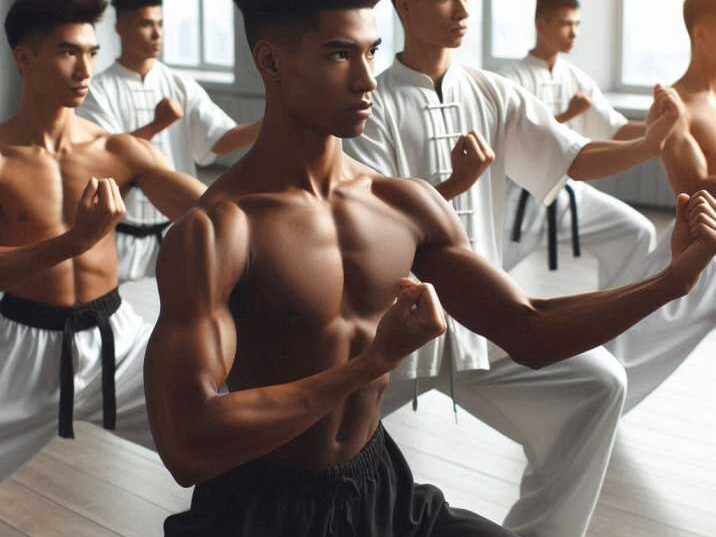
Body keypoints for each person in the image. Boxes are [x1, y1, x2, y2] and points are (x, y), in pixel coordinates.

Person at [144, 1, 716, 536]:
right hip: (259, 510)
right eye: (340, 54)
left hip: (381, 488)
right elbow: (188, 446)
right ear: (271, 60)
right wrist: (373, 362)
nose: (367, 80)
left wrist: (671, 282)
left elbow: (528, 328)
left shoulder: (403, 204)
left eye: (371, 53)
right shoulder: (217, 230)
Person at [343, 1, 685, 536]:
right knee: (300, 450)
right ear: (404, 6)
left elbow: (571, 156)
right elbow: (369, 220)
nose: (461, 9)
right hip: (389, 338)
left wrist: (648, 144)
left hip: (483, 326)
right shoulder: (371, 103)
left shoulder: (490, 91)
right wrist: (452, 186)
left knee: (598, 386)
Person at [0, 0, 206, 482]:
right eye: (68, 52)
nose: (85, 69)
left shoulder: (118, 149)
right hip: (23, 347)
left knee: (222, 444)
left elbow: (216, 212)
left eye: (92, 53)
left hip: (120, 343)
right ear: (24, 58)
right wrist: (75, 241)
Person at [78, 0, 261, 282]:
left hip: (176, 228)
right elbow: (106, 160)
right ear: (120, 27)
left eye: (161, 24)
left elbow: (219, 138)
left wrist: (268, 124)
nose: (157, 33)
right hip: (120, 235)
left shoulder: (179, 84)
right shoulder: (97, 91)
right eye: (146, 24)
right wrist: (157, 125)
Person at [607, 0, 716, 411]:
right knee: (616, 362)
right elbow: (692, 186)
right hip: (699, 246)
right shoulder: (679, 106)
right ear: (702, 35)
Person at [500, 0, 654, 286]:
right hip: (519, 199)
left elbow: (615, 129)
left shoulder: (575, 78)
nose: (574, 33)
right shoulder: (510, 80)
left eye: (577, 25)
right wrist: (569, 114)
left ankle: (615, 321)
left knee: (637, 232)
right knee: (482, 269)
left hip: (567, 193)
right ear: (541, 24)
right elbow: (521, 144)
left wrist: (661, 126)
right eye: (565, 23)